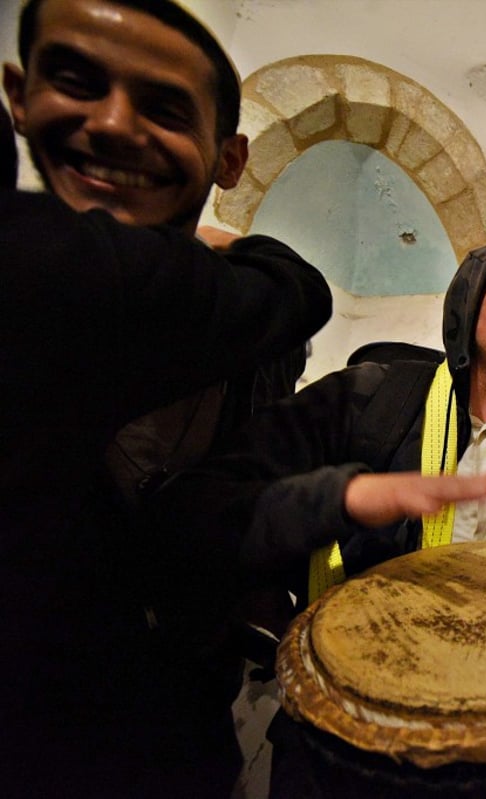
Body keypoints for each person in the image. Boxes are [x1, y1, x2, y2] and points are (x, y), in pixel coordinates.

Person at [0, 0, 337, 794]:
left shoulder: (261, 334)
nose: (115, 125)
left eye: (163, 108)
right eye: (78, 81)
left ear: (228, 159)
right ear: (18, 97)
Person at [148, 237, 486, 796]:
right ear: (470, 297)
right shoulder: (371, 396)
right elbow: (202, 501)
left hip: (479, 728)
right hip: (345, 726)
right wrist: (340, 499)